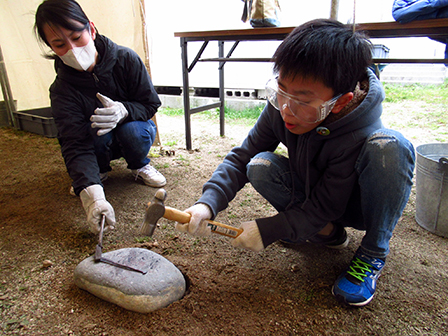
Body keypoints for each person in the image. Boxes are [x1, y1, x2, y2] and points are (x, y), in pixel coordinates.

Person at [175, 19, 416, 307]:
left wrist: (271, 229)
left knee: (390, 147)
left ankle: (373, 252)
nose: (287, 110)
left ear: (340, 102)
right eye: (281, 90)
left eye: (303, 100)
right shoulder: (283, 106)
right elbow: (243, 155)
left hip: (357, 204)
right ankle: (326, 233)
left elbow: (329, 205)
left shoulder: (357, 131)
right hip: (317, 195)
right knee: (259, 164)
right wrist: (208, 202)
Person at [34, 0, 166, 234]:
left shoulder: (126, 58)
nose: (72, 49)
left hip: (132, 132)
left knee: (134, 131)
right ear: (51, 49)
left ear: (91, 29)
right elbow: (74, 141)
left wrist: (124, 110)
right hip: (98, 142)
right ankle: (98, 172)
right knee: (91, 131)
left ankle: (139, 164)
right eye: (59, 44)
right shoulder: (61, 89)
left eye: (76, 38)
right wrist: (92, 197)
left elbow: (151, 103)